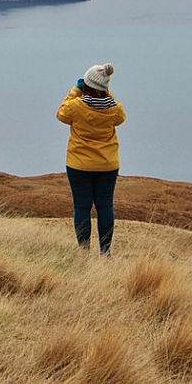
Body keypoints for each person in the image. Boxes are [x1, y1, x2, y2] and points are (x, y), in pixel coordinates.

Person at [56, 63, 126, 255]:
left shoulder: (76, 106)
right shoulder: (114, 108)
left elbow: (61, 114)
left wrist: (75, 90)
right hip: (107, 164)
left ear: (85, 84)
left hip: (79, 164)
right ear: (105, 87)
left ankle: (84, 253)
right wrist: (106, 92)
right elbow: (121, 118)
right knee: (105, 206)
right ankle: (105, 253)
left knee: (81, 207)